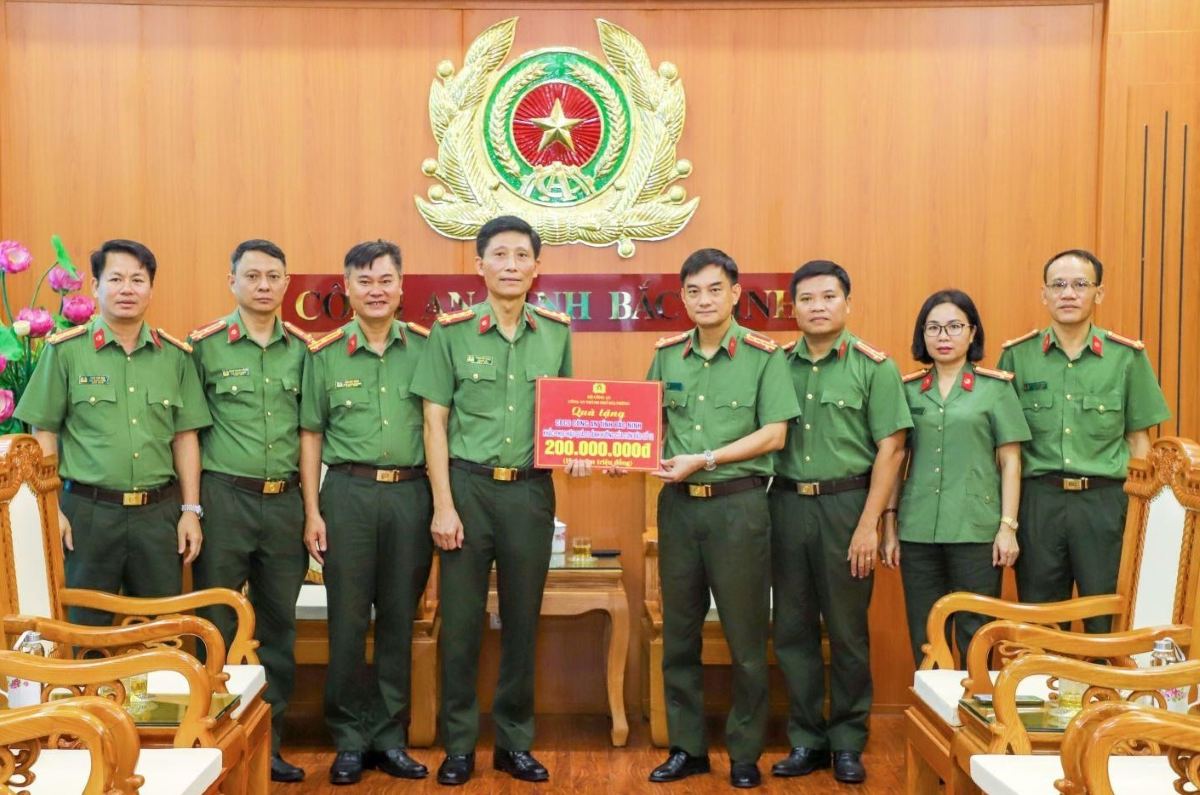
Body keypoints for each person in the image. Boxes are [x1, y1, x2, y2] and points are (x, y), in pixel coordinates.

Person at [411, 215, 588, 787]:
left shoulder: (557, 332)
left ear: (537, 267)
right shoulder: (451, 332)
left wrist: (580, 448)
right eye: (500, 255)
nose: (511, 266)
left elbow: (567, 415)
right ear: (480, 264)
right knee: (460, 623)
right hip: (466, 489)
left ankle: (514, 742)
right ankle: (459, 744)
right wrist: (443, 504)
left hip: (530, 493)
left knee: (521, 622)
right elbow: (433, 424)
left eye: (521, 256)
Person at [642, 248, 800, 790]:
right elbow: (646, 429)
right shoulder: (665, 355)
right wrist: (608, 453)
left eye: (715, 289)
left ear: (736, 293)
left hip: (740, 507)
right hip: (680, 510)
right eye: (693, 291)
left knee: (746, 638)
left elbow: (774, 435)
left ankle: (744, 753)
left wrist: (706, 459)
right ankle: (687, 748)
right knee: (679, 635)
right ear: (681, 297)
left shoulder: (764, 356)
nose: (704, 300)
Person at [15, 239, 210, 626]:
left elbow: (185, 437)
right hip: (87, 514)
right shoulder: (66, 351)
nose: (127, 289)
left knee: (161, 630)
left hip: (159, 517)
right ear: (95, 286)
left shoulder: (174, 356)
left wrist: (190, 511)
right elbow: (44, 430)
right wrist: (51, 507)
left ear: (151, 289)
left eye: (138, 280)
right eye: (116, 278)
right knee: (86, 628)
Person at [768, 260, 910, 785]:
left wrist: (869, 523)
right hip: (784, 506)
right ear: (793, 308)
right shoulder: (775, 364)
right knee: (792, 631)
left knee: (848, 634)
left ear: (848, 303)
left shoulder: (874, 367)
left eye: (828, 297)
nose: (818, 307)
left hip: (847, 507)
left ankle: (849, 740)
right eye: (806, 299)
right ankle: (806, 739)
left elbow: (891, 450)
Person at [299, 240, 433, 785]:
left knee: (401, 618)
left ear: (402, 286)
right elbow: (310, 436)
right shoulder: (323, 354)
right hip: (347, 496)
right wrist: (312, 510)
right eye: (364, 281)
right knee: (348, 622)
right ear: (346, 287)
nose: (375, 290)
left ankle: (389, 736)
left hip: (411, 494)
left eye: (385, 280)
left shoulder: (429, 348)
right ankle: (350, 738)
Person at [188, 239, 311, 782]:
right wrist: (192, 507)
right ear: (231, 280)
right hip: (224, 499)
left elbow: (313, 435)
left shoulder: (306, 351)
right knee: (213, 623)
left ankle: (269, 742)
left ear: (287, 284)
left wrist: (311, 509)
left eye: (274, 276)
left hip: (283, 503)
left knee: (279, 627)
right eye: (253, 275)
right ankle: (206, 742)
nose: (264, 285)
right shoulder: (203, 348)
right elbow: (186, 432)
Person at [998, 249, 1170, 632]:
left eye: (1080, 284)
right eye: (1058, 285)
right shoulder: (1017, 357)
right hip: (1039, 502)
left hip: (1106, 504)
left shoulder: (1125, 358)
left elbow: (1140, 443)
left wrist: (1139, 516)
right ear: (1044, 295)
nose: (1069, 293)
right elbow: (1005, 447)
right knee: (1039, 622)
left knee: (1104, 618)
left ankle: (1101, 693)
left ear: (1099, 293)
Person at [882, 289, 1029, 665]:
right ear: (922, 335)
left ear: (972, 332)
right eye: (933, 328)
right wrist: (889, 523)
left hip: (976, 531)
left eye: (953, 327)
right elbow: (896, 459)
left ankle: (971, 721)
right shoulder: (908, 388)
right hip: (917, 532)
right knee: (926, 636)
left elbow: (1011, 461)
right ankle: (934, 722)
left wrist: (1007, 526)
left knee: (975, 636)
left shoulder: (995, 388)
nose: (943, 336)